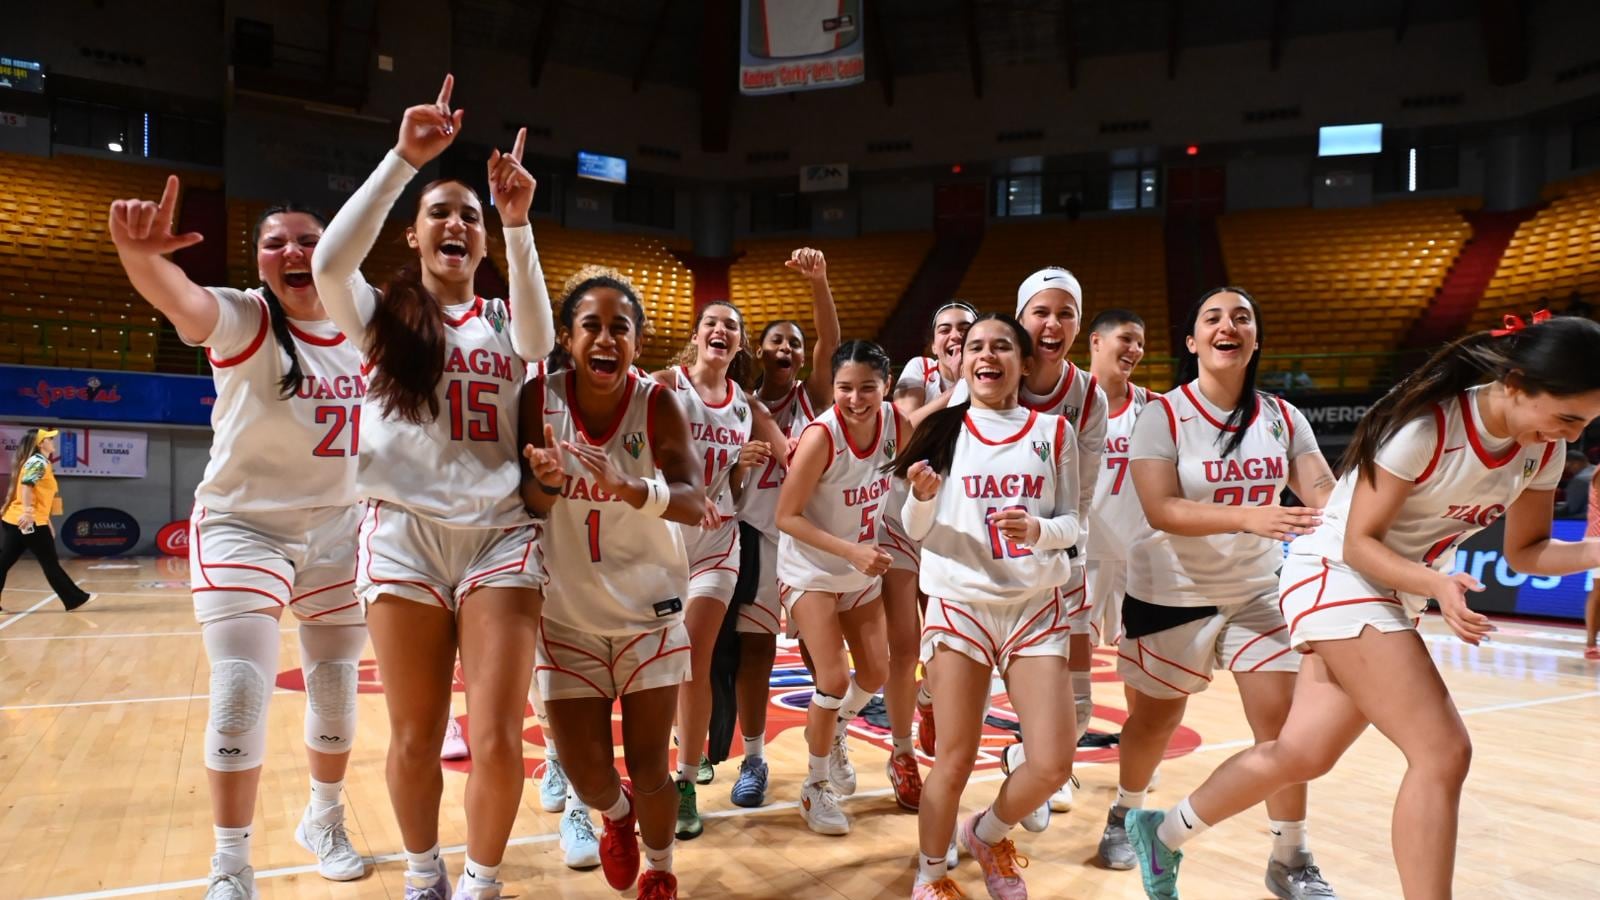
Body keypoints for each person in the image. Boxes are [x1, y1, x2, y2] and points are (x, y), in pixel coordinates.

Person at [1128, 313, 1600, 900]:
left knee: (1301, 753)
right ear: (1516, 382)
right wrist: (1436, 582)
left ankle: (1162, 835)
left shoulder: (1540, 449)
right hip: (1334, 572)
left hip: (1385, 587)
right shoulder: (1430, 425)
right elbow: (1357, 541)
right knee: (1443, 751)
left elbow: (1527, 553)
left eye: (1585, 424)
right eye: (1567, 418)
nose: (1573, 436)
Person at [311, 74, 554, 900]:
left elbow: (539, 335)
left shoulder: (502, 319)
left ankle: (482, 883)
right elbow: (326, 260)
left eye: (470, 217)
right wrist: (401, 162)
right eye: (439, 213)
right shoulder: (380, 314)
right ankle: (425, 876)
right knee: (414, 736)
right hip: (404, 534)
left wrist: (517, 225)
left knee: (495, 736)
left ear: (482, 243)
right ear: (413, 237)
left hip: (500, 535)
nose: (456, 223)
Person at [110, 181, 364, 898]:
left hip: (342, 529)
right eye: (275, 242)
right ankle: (231, 865)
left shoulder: (368, 326)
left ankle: (324, 819)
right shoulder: (243, 317)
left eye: (309, 239)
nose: (293, 250)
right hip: (244, 527)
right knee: (240, 691)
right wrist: (138, 256)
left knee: (338, 691)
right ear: (258, 264)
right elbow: (179, 296)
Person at [1113, 287, 1339, 900]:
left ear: (1255, 339)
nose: (1228, 325)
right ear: (1192, 342)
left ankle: (1291, 856)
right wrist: (1248, 515)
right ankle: (1126, 810)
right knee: (1155, 722)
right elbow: (1161, 508)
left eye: (1242, 317)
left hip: (1257, 592)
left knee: (1285, 733)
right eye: (1212, 317)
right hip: (1170, 592)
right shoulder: (1162, 415)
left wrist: (1365, 522)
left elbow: (1325, 492)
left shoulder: (1283, 416)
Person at [521, 266, 704, 900]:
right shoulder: (538, 399)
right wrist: (544, 480)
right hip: (567, 613)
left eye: (619, 328)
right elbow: (528, 502)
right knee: (588, 771)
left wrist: (634, 488)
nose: (605, 338)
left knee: (653, 765)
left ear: (638, 340)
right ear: (567, 339)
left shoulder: (657, 402)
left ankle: (660, 870)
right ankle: (615, 815)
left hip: (649, 610)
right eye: (590, 326)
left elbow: (692, 499)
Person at [897, 314, 1082, 900]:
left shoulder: (1053, 433)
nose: (987, 354)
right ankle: (930, 877)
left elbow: (1075, 523)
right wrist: (922, 501)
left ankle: (986, 832)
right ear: (960, 358)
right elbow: (913, 527)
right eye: (976, 345)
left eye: (1002, 345)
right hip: (961, 604)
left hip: (1033, 605)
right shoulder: (942, 428)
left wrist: (1039, 530)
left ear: (1024, 363)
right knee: (955, 758)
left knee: (1053, 763)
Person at [654, 299, 787, 838]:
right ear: (698, 334)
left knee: (692, 654)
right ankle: (650, 772)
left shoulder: (748, 407)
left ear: (739, 345)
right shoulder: (663, 383)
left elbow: (793, 456)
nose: (720, 331)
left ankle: (685, 781)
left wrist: (741, 470)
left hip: (717, 540)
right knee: (653, 660)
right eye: (712, 323)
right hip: (660, 537)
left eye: (731, 327)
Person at [776, 340, 904, 835]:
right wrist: (851, 550)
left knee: (876, 671)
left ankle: (836, 729)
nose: (855, 399)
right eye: (845, 388)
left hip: (858, 569)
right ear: (832, 388)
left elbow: (932, 429)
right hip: (812, 569)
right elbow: (786, 516)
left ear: (885, 386)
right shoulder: (819, 437)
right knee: (832, 679)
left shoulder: (896, 423)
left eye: (867, 388)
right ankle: (814, 787)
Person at [728, 247, 840, 809]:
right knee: (756, 653)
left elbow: (829, 344)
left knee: (824, 656)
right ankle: (754, 757)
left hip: (810, 538)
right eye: (778, 340)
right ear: (758, 350)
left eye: (795, 343)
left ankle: (832, 745)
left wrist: (819, 284)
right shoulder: (737, 403)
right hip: (755, 536)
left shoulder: (815, 396)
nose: (789, 349)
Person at [1011, 267, 1107, 821]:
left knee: (1075, 678)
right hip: (991, 550)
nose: (1052, 323)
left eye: (1065, 312)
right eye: (1041, 311)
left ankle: (1050, 763)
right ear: (1022, 317)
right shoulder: (993, 368)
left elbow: (1082, 492)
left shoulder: (1089, 395)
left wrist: (1053, 542)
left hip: (1060, 546)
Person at [892, 300, 978, 765]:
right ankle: (901, 755)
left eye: (965, 327)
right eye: (945, 328)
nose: (955, 335)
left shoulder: (989, 376)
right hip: (901, 518)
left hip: (950, 525)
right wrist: (960, 391)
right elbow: (907, 427)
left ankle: (928, 700)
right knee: (905, 646)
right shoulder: (919, 372)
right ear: (933, 343)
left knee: (945, 646)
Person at [1, 427, 94, 612]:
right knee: (49, 562)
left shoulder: (39, 462)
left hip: (19, 519)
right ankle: (75, 598)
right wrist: (28, 513)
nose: (53, 442)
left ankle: (75, 598)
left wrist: (47, 521)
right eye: (50, 439)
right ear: (41, 443)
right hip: (28, 521)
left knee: (4, 562)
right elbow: (27, 487)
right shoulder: (37, 462)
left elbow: (39, 496)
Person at [1555, 450, 1592, 518]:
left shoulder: (1580, 480)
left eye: (1567, 467)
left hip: (1587, 520)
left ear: (1576, 463)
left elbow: (1571, 508)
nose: (1568, 471)